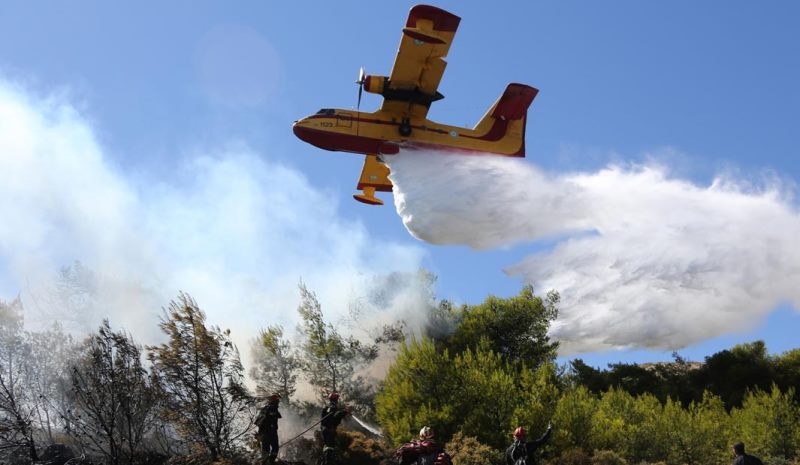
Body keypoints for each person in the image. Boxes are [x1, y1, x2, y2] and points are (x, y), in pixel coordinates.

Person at [319, 391, 349, 465]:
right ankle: (327, 462)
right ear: (336, 400)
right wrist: (345, 412)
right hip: (330, 430)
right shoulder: (333, 407)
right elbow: (336, 416)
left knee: (326, 446)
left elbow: (323, 420)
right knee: (330, 447)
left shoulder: (326, 408)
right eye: (337, 399)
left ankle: (323, 462)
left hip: (324, 430)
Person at [255, 394, 282, 464]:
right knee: (272, 448)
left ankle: (268, 462)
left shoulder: (267, 408)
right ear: (274, 401)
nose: (278, 402)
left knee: (269, 449)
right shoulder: (271, 408)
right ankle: (268, 462)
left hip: (266, 431)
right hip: (268, 431)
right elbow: (272, 415)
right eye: (277, 400)